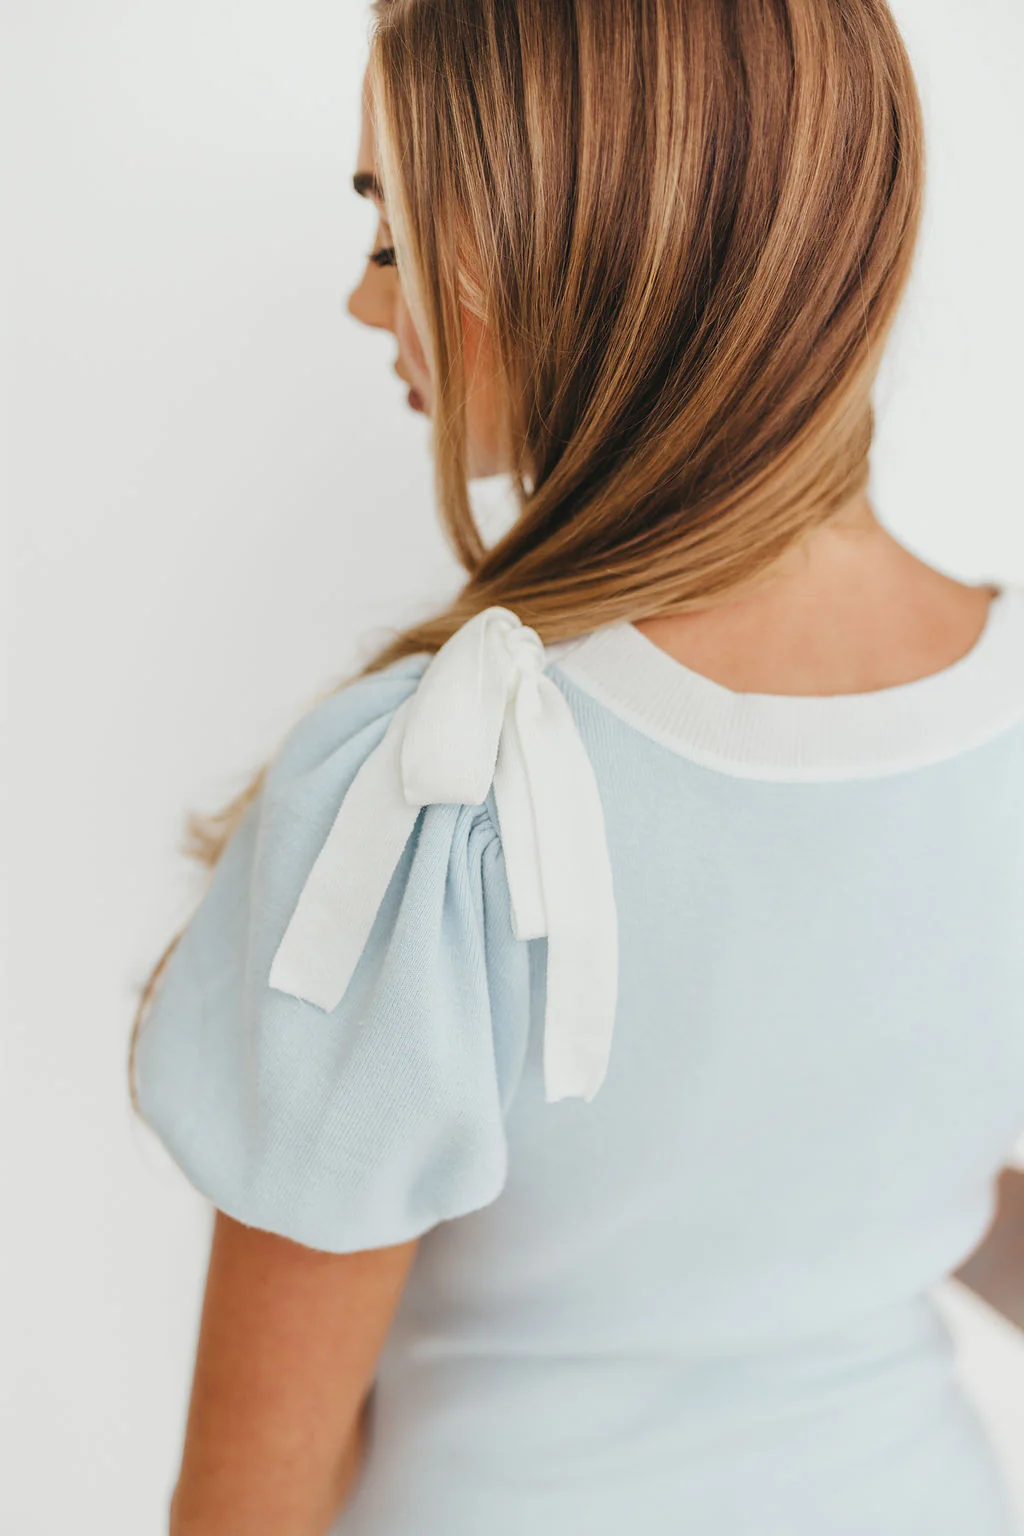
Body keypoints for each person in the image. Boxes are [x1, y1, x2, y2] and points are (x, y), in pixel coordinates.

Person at [129, 1, 1024, 1532]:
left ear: (577, 254)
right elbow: (861, 1170)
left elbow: (248, 1501)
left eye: (394, 236)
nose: (364, 300)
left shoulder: (436, 787)